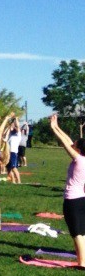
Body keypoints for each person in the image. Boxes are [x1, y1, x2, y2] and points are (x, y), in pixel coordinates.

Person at [49, 113, 85, 267]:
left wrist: (53, 129)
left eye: (75, 144)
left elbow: (65, 143)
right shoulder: (82, 158)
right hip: (81, 199)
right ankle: (82, 260)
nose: (72, 144)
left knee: (76, 233)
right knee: (81, 232)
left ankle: (82, 263)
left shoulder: (79, 160)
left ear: (78, 149)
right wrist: (57, 127)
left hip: (72, 201)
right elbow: (68, 141)